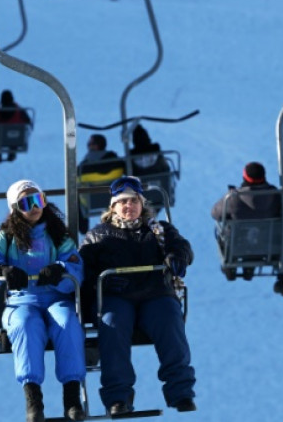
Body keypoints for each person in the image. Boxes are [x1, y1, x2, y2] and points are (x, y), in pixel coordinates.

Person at [79, 175, 196, 415]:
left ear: (142, 204)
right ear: (113, 207)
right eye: (123, 202)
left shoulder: (159, 230)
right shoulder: (98, 236)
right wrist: (97, 287)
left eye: (133, 201)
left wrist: (177, 257)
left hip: (155, 293)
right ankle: (118, 397)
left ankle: (180, 391)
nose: (128, 206)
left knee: (169, 320)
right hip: (117, 297)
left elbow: (181, 246)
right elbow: (84, 269)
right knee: (112, 324)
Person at [0, 180, 86, 422]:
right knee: (25, 325)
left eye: (38, 200)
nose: (34, 207)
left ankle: (72, 398)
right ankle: (33, 400)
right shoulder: (8, 237)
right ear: (15, 208)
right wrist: (1, 268)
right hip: (21, 300)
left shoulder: (57, 235)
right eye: (26, 203)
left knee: (67, 323)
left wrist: (60, 270)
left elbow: (76, 268)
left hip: (55, 297)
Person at [210, 162, 282, 221]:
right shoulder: (275, 195)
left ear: (245, 177)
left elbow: (215, 213)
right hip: (269, 234)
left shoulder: (233, 198)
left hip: (239, 234)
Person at [0, 90, 32, 163]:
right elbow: (28, 121)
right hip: (15, 138)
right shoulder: (19, 110)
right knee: (15, 133)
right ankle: (12, 151)